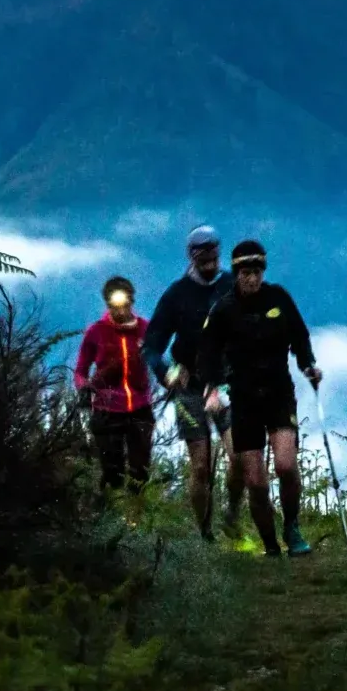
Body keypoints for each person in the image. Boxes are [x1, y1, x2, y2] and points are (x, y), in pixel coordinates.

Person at [208, 238, 321, 556]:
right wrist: (214, 388)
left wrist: (308, 364)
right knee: (256, 481)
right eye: (245, 271)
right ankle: (271, 545)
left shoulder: (278, 298)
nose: (252, 278)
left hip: (278, 393)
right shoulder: (224, 309)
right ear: (236, 273)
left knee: (286, 465)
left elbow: (299, 335)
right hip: (243, 400)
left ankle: (292, 527)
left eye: (257, 271)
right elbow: (208, 352)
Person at [142, 225, 237, 540]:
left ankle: (232, 516)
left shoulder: (231, 286)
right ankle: (205, 533)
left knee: (237, 457)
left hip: (226, 384)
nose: (210, 259)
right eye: (203, 254)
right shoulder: (176, 294)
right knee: (200, 466)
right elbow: (152, 346)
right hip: (190, 388)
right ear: (192, 256)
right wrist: (167, 373)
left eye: (213, 253)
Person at [74, 275, 155, 497]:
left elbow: (157, 360)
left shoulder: (146, 329)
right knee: (113, 473)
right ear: (108, 306)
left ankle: (136, 520)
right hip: (106, 410)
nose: (121, 311)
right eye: (115, 307)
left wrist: (171, 380)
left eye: (125, 305)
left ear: (132, 302)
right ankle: (110, 518)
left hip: (140, 408)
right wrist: (83, 388)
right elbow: (80, 371)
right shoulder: (96, 331)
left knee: (140, 472)